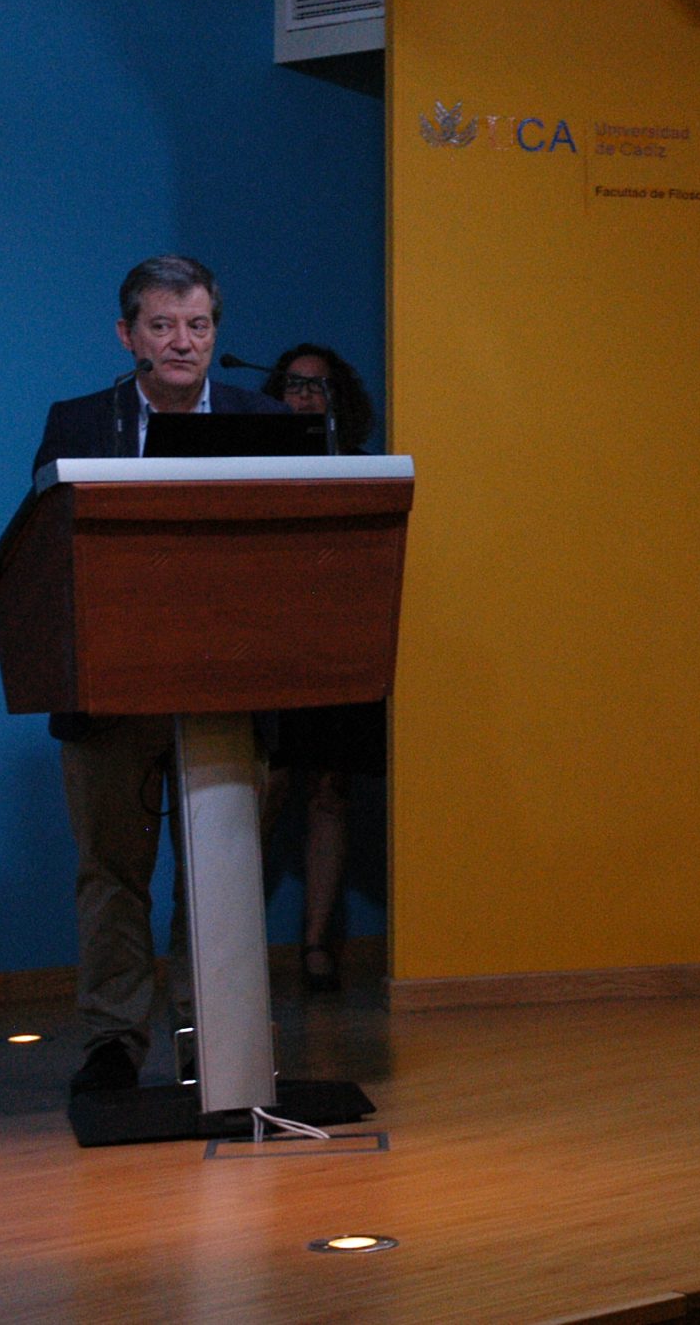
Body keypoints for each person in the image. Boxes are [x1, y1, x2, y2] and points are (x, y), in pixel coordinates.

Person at [33, 255, 287, 1094]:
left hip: (227, 684)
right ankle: (114, 1040)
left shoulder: (262, 419)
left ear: (216, 332)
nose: (183, 342)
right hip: (112, 683)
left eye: (199, 325)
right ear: (128, 335)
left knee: (217, 876)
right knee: (113, 872)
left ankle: (208, 1042)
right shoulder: (81, 422)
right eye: (163, 325)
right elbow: (46, 548)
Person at [258, 343, 386, 993]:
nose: (306, 396)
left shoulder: (361, 470)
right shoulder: (249, 467)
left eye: (320, 386)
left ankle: (317, 945)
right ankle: (227, 950)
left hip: (339, 649)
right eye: (295, 385)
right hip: (269, 650)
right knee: (267, 787)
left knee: (330, 792)